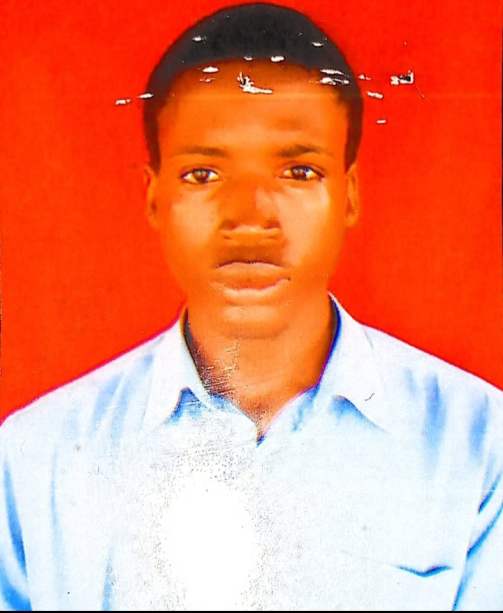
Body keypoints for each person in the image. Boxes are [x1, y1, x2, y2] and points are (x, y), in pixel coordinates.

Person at [1, 3, 501, 610]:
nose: (250, 217)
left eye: (298, 171)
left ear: (348, 195)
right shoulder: (36, 460)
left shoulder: (479, 445)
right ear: (153, 198)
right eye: (203, 174)